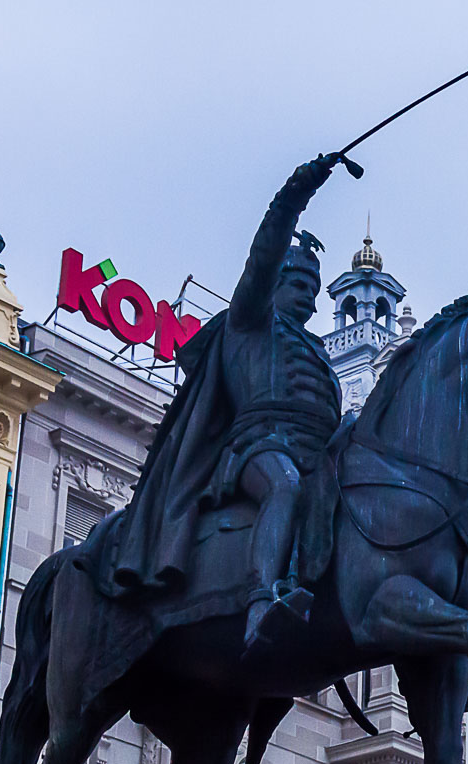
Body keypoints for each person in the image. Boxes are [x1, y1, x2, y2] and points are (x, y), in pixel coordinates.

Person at [97, 154, 358, 659]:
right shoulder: (250, 321)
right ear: (274, 285)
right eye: (298, 283)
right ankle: (262, 601)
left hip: (317, 452)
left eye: (313, 288)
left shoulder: (319, 352)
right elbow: (262, 256)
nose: (309, 295)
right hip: (257, 447)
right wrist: (293, 197)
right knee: (284, 487)